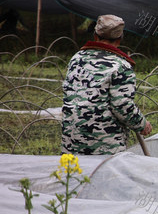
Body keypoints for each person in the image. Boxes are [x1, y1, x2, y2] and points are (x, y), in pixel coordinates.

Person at [61, 14, 152, 155]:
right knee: (103, 175)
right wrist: (141, 123)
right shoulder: (121, 66)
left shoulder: (76, 59)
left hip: (72, 137)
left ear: (95, 36)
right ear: (120, 39)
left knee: (75, 175)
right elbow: (122, 105)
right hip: (104, 143)